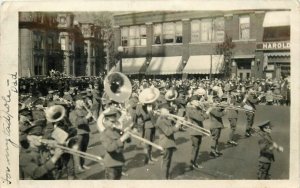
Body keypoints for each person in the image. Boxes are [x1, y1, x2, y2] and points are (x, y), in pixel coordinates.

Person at [100, 107, 129, 180]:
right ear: (105, 121)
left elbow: (128, 141)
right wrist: (122, 139)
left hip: (119, 162)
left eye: (115, 121)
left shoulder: (117, 130)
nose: (114, 123)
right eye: (112, 122)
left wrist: (126, 132)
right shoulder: (104, 134)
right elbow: (109, 148)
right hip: (111, 164)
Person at [156, 102, 181, 179]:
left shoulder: (165, 118)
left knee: (168, 161)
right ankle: (164, 179)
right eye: (167, 110)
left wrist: (176, 122)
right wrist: (177, 125)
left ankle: (166, 176)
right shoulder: (161, 120)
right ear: (162, 110)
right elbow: (168, 132)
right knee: (165, 162)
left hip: (169, 142)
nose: (168, 112)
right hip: (165, 143)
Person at [69, 94, 93, 172]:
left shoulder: (84, 110)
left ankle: (82, 164)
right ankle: (78, 167)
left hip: (85, 131)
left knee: (84, 149)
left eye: (82, 100)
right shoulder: (73, 112)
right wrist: (86, 117)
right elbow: (76, 123)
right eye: (81, 101)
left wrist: (90, 116)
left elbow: (89, 120)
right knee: (78, 150)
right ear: (76, 102)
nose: (83, 102)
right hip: (78, 133)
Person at [136, 87, 160, 164]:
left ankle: (150, 156)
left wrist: (155, 112)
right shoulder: (142, 107)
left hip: (153, 125)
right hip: (147, 126)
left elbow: (155, 116)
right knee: (147, 143)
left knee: (152, 142)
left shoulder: (153, 105)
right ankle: (147, 159)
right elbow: (144, 117)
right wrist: (150, 112)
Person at [185, 95, 208, 170]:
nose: (198, 101)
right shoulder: (191, 110)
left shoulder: (196, 108)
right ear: (192, 102)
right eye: (196, 101)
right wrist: (207, 112)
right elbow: (200, 118)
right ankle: (192, 164)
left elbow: (203, 116)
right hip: (194, 131)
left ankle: (194, 163)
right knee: (195, 147)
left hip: (198, 130)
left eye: (198, 100)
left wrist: (202, 109)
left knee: (197, 147)